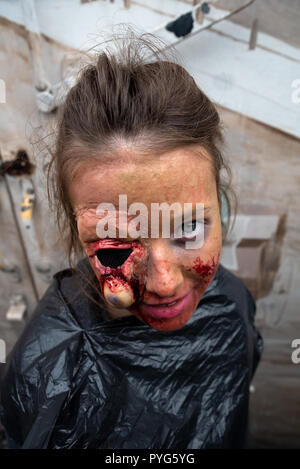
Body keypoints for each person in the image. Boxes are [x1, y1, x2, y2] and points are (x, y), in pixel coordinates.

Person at [0, 29, 263, 449]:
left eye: (189, 229)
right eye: (116, 245)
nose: (164, 283)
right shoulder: (45, 370)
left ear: (221, 203)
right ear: (75, 230)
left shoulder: (233, 302)